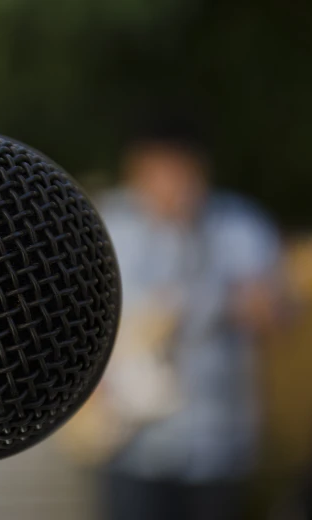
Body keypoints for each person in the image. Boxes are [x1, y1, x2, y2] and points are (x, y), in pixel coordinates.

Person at [93, 116, 286, 520]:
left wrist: (206, 306)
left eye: (180, 169)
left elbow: (276, 312)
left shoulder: (239, 225)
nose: (170, 182)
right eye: (158, 169)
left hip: (215, 444)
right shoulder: (106, 225)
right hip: (128, 444)